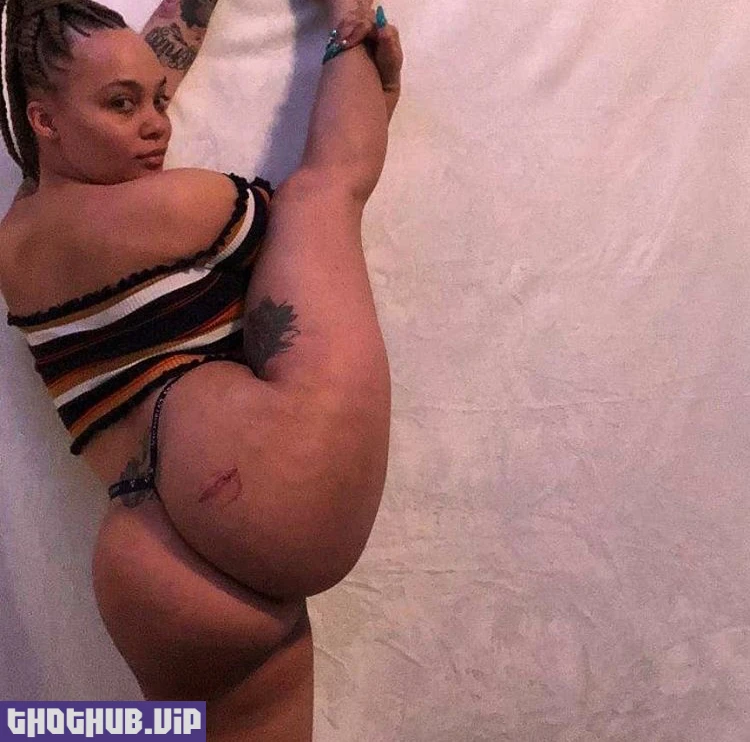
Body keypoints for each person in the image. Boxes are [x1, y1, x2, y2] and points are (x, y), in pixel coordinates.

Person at [0, 0, 402, 736]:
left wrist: (148, 67)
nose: (158, 124)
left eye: (158, 100)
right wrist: (356, 42)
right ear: (44, 120)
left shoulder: (18, 240)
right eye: (124, 105)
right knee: (321, 195)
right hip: (265, 488)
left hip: (144, 572)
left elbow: (132, 73)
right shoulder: (178, 206)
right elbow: (330, 175)